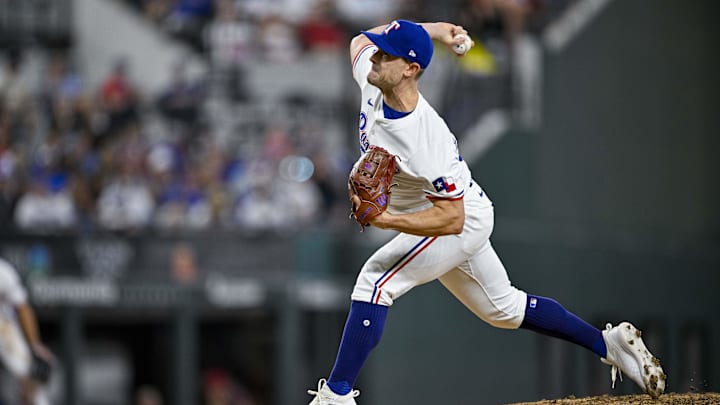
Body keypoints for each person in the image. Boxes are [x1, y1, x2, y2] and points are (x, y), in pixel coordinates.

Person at [306, 19, 666, 404]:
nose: (374, 57)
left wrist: (386, 220)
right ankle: (609, 344)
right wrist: (437, 30)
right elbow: (359, 40)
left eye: (385, 54)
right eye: (378, 51)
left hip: (457, 220)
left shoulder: (426, 140)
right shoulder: (374, 78)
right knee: (504, 309)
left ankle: (336, 396)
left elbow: (452, 219)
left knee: (375, 282)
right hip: (452, 211)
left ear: (411, 70)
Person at [0, 257, 54, 405]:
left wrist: (34, 343)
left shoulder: (3, 271)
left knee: (27, 370)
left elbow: (22, 307)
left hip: (3, 326)